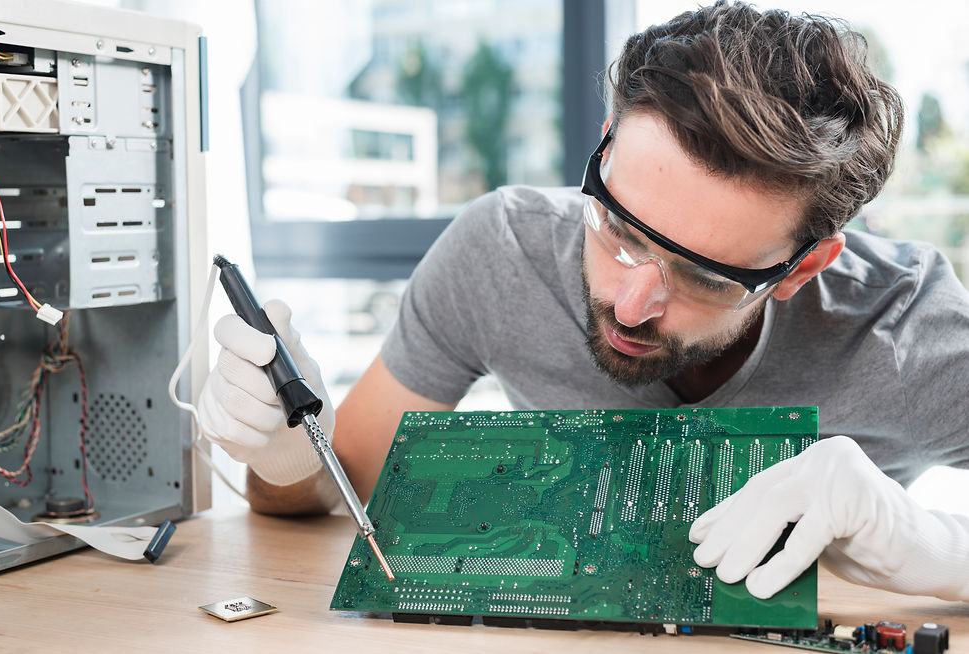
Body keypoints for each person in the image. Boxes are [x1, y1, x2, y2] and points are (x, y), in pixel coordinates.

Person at [197, 1, 969, 602]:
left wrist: (928, 545)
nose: (631, 303)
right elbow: (327, 493)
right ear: (605, 145)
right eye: (618, 226)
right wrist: (283, 444)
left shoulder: (907, 329)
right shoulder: (500, 249)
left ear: (803, 269)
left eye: (705, 275)